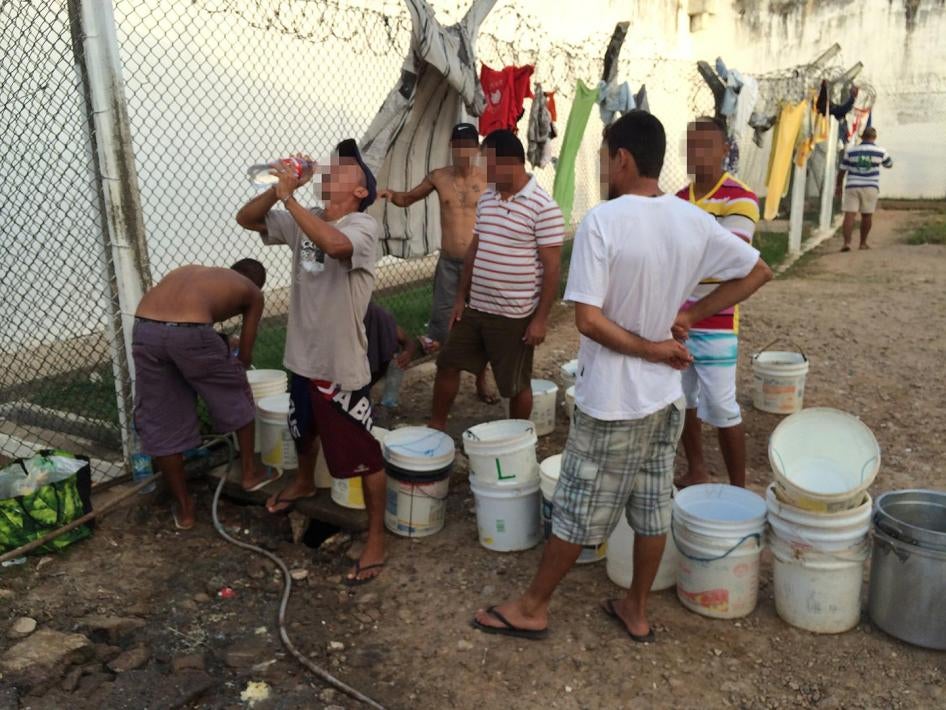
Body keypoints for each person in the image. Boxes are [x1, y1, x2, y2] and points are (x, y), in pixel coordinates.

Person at [472, 111, 772, 643]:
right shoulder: (691, 219)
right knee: (652, 507)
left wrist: (656, 346)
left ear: (623, 159)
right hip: (665, 402)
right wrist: (691, 318)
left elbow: (588, 319)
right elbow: (758, 270)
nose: (604, 167)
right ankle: (635, 608)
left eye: (606, 156)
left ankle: (534, 606)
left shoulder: (603, 222)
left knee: (576, 509)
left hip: (612, 399)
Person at [235, 141, 388, 585]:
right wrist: (281, 189)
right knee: (303, 429)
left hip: (340, 364)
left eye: (343, 169)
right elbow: (247, 219)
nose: (330, 171)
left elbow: (337, 246)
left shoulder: (362, 225)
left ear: (360, 191)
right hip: (301, 356)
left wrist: (289, 198)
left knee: (364, 456)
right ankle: (304, 481)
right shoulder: (308, 218)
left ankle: (376, 536)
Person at [428, 130, 564, 430]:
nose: (483, 171)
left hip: (514, 315)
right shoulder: (488, 197)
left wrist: (540, 319)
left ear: (511, 163)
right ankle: (436, 428)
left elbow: (552, 269)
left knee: (515, 384)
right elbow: (476, 247)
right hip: (477, 307)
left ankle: (517, 436)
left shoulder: (544, 208)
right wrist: (461, 298)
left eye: (489, 164)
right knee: (448, 362)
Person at [133, 259, 272, 530]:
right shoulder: (253, 293)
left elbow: (173, 326)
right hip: (190, 332)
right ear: (255, 284)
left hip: (145, 327)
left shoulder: (196, 273)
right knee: (236, 392)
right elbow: (244, 356)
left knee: (162, 419)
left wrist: (214, 343)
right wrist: (230, 363)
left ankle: (185, 511)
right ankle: (250, 474)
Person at [378, 123, 498, 403]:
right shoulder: (439, 177)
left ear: (477, 149)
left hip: (480, 265)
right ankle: (448, 375)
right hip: (449, 264)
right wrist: (390, 195)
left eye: (469, 146)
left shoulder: (489, 178)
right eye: (458, 146)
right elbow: (408, 198)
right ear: (452, 148)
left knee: (482, 322)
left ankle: (482, 379)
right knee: (445, 325)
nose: (463, 152)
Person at [674, 117, 761, 489]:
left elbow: (731, 262)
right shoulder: (677, 199)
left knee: (723, 406)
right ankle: (697, 467)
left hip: (716, 320)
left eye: (708, 144)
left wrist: (693, 310)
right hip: (676, 318)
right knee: (682, 401)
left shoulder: (740, 198)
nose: (699, 152)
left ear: (725, 149)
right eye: (692, 145)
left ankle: (738, 486)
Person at [837, 127, 893, 251]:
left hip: (852, 186)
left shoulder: (851, 151)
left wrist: (839, 185)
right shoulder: (881, 151)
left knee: (849, 215)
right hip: (870, 186)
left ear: (862, 137)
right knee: (867, 216)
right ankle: (863, 243)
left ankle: (847, 243)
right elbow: (889, 164)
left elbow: (842, 170)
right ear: (875, 137)